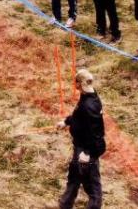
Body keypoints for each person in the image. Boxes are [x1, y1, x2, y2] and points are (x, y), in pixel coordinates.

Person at [57, 69, 106, 209]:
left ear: (79, 83)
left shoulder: (89, 105)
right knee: (74, 178)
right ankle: (65, 205)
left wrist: (88, 153)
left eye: (75, 82)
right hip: (80, 146)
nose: (74, 85)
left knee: (92, 186)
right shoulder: (87, 96)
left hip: (86, 150)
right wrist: (66, 122)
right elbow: (78, 116)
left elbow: (97, 133)